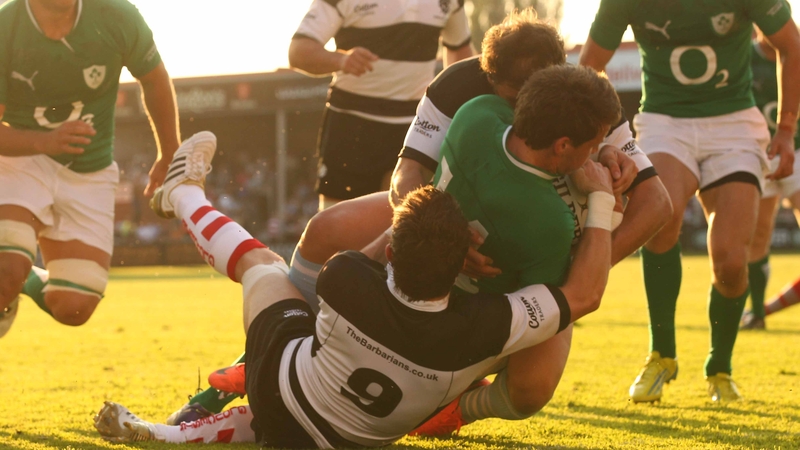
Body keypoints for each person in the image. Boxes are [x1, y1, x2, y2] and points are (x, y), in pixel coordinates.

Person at [165, 12, 669, 425]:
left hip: (535, 260)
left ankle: (452, 411)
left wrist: (582, 263)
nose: (519, 103)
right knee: (327, 230)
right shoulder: (461, 87)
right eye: (507, 90)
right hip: (448, 219)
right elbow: (405, 180)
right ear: (488, 76)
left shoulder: (582, 102)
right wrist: (446, 237)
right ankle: (269, 355)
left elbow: (656, 205)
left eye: (528, 91)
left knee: (532, 392)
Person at [94, 123, 616, 447]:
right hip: (350, 440)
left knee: (262, 266)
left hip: (285, 386)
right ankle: (183, 431)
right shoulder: (481, 330)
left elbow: (366, 257)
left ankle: (183, 194)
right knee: (306, 425)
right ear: (464, 266)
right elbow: (584, 295)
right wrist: (598, 201)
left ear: (392, 249)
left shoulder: (347, 280)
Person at [579, 0, 800, 402]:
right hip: (665, 121)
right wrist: (608, 137)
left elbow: (791, 43)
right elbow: (588, 64)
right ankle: (662, 354)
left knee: (732, 261)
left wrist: (786, 129)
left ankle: (719, 367)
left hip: (735, 123)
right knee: (659, 218)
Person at [0, 0, 180, 338]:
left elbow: (154, 79)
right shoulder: (5, 27)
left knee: (74, 307)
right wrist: (43, 142)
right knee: (5, 270)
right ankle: (10, 279)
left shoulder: (116, 14)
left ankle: (25, 281)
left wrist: (168, 152)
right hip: (19, 160)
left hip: (89, 169)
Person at [289, 0, 473, 211]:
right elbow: (298, 51)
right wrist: (341, 60)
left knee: (405, 221)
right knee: (341, 223)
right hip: (352, 123)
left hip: (414, 126)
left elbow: (459, 51)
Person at [741, 27, 800, 330]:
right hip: (759, 155)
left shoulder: (795, 51)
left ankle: (763, 309)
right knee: (758, 235)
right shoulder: (743, 56)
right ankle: (758, 313)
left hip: (795, 151)